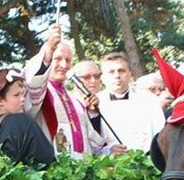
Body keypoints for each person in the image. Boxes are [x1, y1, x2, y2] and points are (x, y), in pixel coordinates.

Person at [22, 25, 119, 157]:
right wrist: (48, 49)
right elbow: (31, 85)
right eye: (58, 59)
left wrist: (92, 113)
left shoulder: (75, 101)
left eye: (68, 60)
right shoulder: (40, 92)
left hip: (82, 169)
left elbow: (93, 145)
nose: (64, 65)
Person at [97, 52, 165, 153]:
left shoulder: (149, 100)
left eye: (121, 71)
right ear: (102, 78)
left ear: (130, 74)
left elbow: (161, 135)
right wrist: (108, 151)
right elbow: (92, 144)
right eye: (111, 72)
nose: (117, 76)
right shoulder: (95, 103)